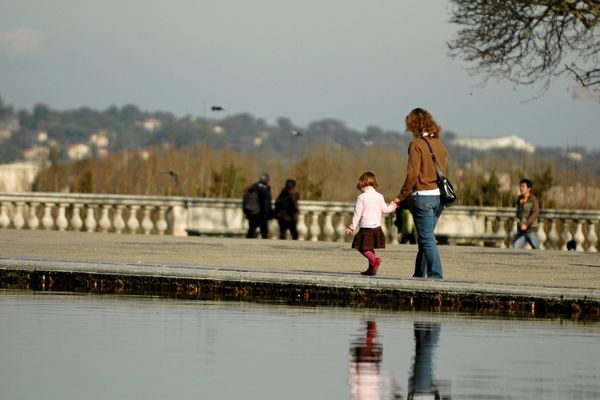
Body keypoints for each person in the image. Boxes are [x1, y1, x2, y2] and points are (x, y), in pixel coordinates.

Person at [395, 108, 448, 279]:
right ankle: (419, 273)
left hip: (423, 196)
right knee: (426, 237)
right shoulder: (440, 145)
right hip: (439, 198)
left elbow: (412, 175)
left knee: (425, 238)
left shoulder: (416, 145)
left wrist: (401, 196)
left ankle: (436, 274)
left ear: (413, 125)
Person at [346, 171, 397, 276]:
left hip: (366, 228)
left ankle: (375, 260)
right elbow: (386, 209)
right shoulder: (379, 196)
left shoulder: (362, 197)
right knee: (369, 248)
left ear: (362, 184)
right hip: (377, 228)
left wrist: (352, 226)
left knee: (360, 246)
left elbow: (357, 213)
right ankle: (371, 269)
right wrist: (393, 205)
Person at [243, 173, 273, 238]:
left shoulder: (251, 188)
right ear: (267, 180)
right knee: (264, 233)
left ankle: (246, 246)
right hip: (261, 214)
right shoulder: (265, 189)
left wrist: (247, 213)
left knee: (251, 231)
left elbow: (244, 201)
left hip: (252, 213)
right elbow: (266, 204)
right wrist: (268, 214)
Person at [513, 178, 540, 249]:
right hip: (521, 231)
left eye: (523, 186)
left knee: (537, 251)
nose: (521, 188)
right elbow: (519, 214)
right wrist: (519, 225)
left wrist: (526, 224)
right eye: (520, 186)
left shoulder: (533, 200)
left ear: (529, 189)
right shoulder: (519, 199)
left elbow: (535, 214)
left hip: (531, 230)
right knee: (515, 248)